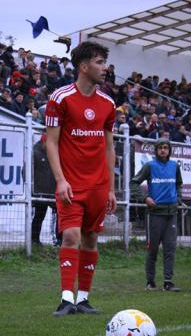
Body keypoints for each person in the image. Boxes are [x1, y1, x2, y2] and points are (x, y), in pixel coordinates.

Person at [44, 41, 116, 317]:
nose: (105, 68)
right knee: (71, 235)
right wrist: (60, 180)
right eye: (99, 62)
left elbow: (110, 147)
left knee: (90, 238)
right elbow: (51, 143)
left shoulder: (108, 103)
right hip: (71, 183)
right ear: (83, 67)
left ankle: (83, 299)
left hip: (98, 185)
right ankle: (66, 299)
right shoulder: (60, 98)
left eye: (104, 62)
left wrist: (110, 188)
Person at [129, 138, 182, 292]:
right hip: (155, 214)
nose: (163, 150)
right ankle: (150, 282)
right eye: (160, 148)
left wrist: (178, 198)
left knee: (170, 249)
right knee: (152, 249)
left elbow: (179, 184)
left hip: (171, 213)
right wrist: (145, 198)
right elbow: (133, 183)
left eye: (166, 147)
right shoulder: (150, 166)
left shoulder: (174, 166)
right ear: (156, 150)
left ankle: (168, 282)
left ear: (169, 150)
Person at [32, 135, 61, 246]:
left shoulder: (55, 152)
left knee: (59, 216)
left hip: (53, 192)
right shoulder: (34, 153)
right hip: (39, 193)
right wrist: (33, 189)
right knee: (39, 216)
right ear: (44, 142)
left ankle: (58, 240)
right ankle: (34, 241)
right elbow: (25, 172)